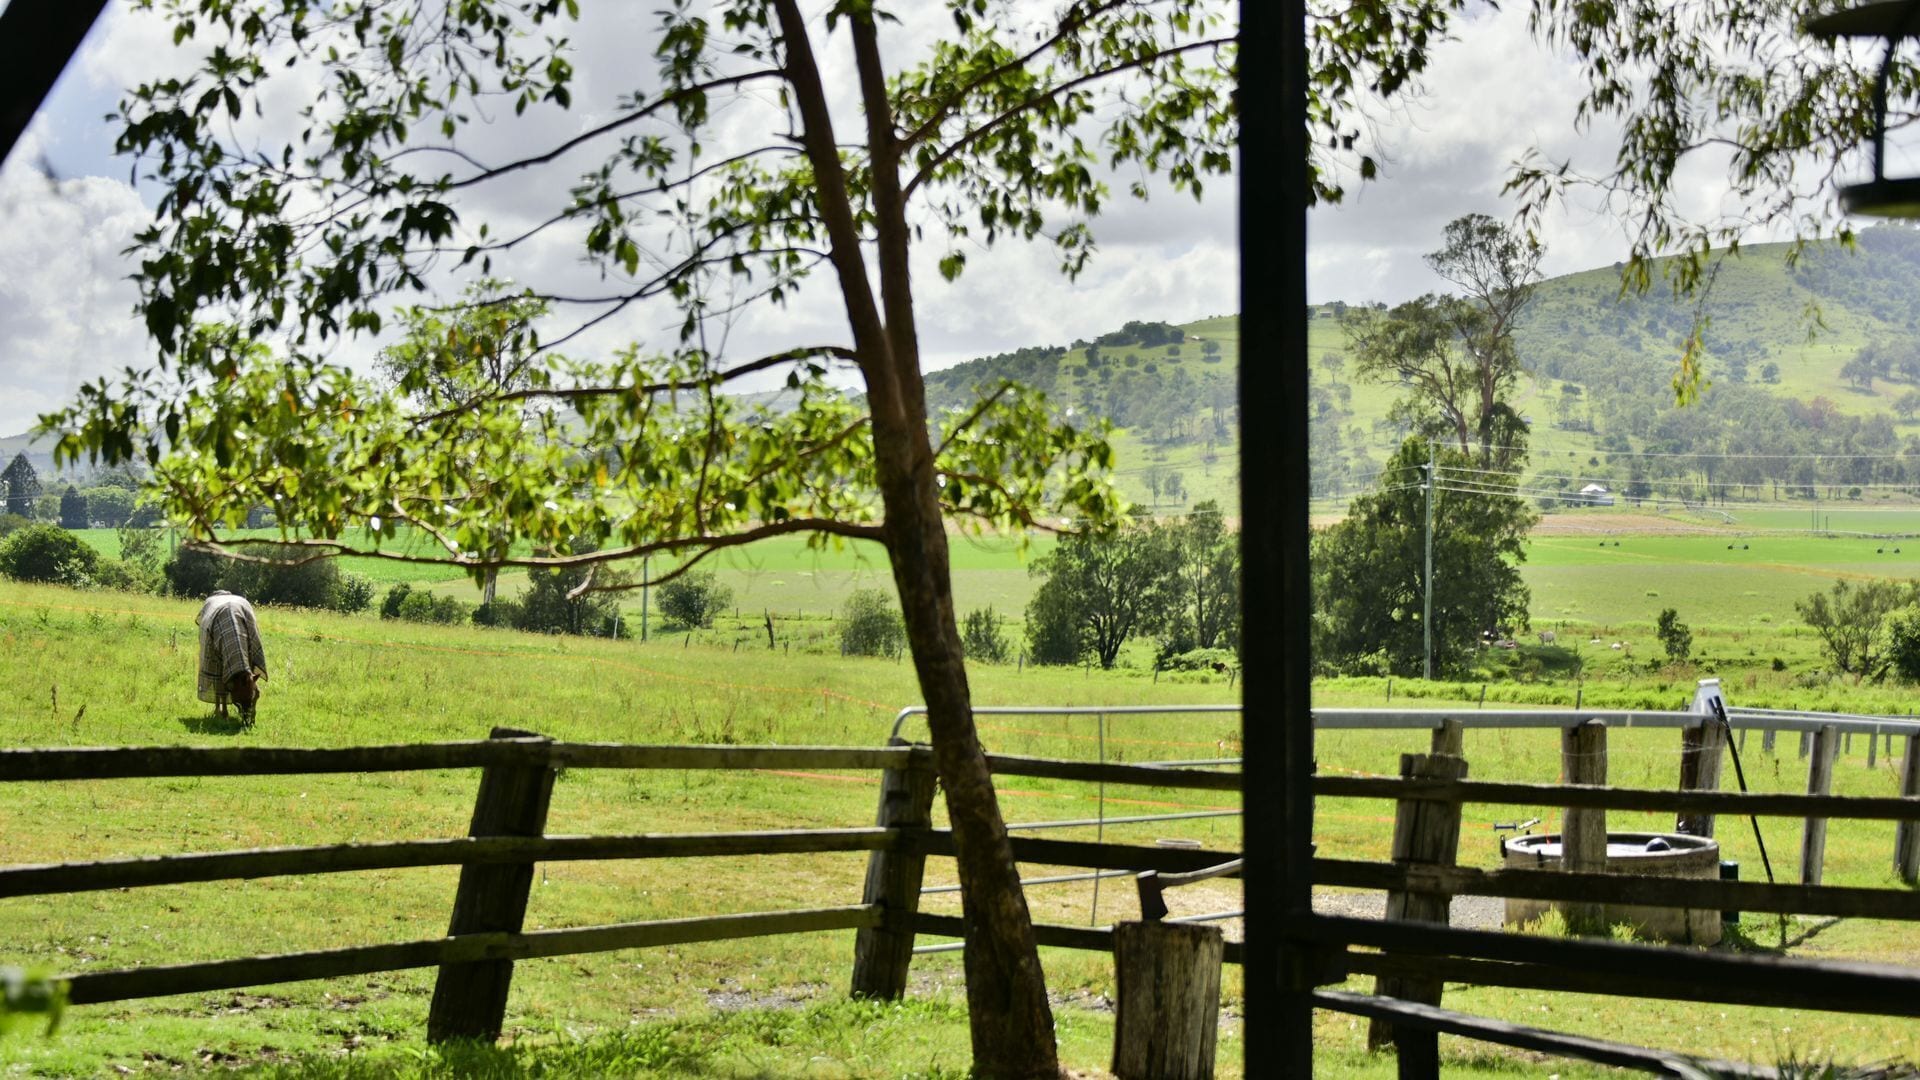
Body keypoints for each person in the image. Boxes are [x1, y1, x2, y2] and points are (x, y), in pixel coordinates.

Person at [196, 590, 267, 725]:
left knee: (247, 645)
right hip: (219, 623)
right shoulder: (212, 605)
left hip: (242, 616)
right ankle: (220, 707)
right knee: (218, 661)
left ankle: (246, 708)